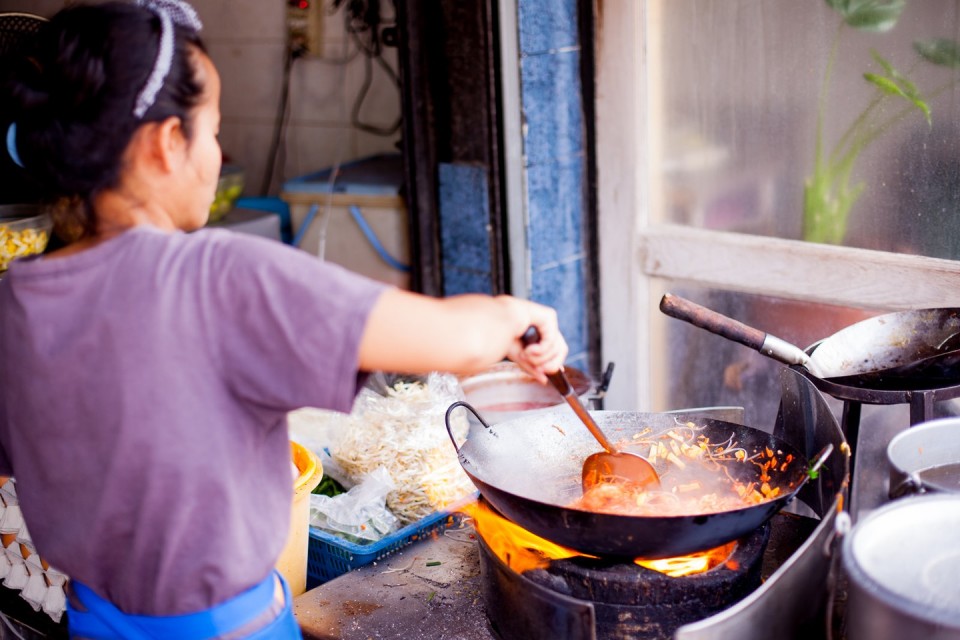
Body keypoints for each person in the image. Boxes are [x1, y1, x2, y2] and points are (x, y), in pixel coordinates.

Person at [0, 1, 568, 637]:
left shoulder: (17, 299)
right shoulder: (211, 275)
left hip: (91, 621)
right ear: (167, 145)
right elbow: (452, 338)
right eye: (212, 132)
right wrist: (516, 317)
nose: (215, 152)